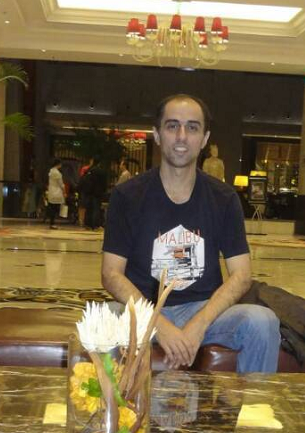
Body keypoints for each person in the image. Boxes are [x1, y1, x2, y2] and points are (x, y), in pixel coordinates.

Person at [102, 94, 280, 373]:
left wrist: (199, 325)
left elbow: (242, 275)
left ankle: (253, 402)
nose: (182, 136)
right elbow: (111, 274)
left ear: (204, 138)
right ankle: (117, 402)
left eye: (192, 127)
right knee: (107, 318)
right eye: (172, 126)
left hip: (203, 310)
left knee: (262, 321)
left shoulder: (224, 198)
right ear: (157, 134)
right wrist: (157, 324)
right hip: (143, 310)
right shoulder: (127, 196)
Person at [46, 159, 65, 230]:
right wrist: (64, 191)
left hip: (51, 190)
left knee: (52, 207)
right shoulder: (57, 173)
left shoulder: (51, 171)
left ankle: (52, 223)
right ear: (58, 164)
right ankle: (52, 223)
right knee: (55, 208)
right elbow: (61, 184)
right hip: (57, 191)